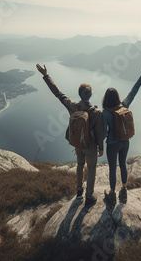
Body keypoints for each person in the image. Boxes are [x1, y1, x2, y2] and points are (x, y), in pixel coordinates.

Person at [36, 64, 104, 207]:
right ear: (90, 95)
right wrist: (101, 148)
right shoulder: (96, 113)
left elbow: (58, 93)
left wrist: (46, 75)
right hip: (90, 146)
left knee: (80, 165)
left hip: (77, 142)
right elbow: (99, 132)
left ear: (79, 95)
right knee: (91, 169)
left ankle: (79, 191)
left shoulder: (73, 106)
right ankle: (89, 197)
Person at [103, 64, 141, 205]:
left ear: (106, 99)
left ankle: (112, 194)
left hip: (112, 144)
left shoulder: (105, 112)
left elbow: (104, 132)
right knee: (122, 164)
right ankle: (123, 191)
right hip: (125, 141)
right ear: (117, 97)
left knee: (112, 168)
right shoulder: (124, 106)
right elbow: (133, 91)